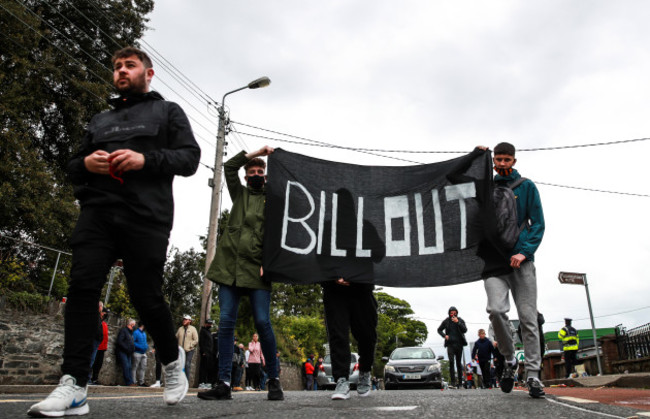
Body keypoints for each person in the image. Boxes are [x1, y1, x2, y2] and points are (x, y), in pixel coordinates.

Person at [27, 46, 199, 417]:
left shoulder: (167, 111)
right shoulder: (100, 120)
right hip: (98, 214)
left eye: (130, 65)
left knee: (146, 295)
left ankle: (171, 362)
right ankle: (73, 383)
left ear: (148, 74)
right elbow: (74, 165)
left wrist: (145, 159)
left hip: (146, 217)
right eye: (117, 66)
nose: (121, 70)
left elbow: (190, 159)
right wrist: (87, 162)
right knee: (82, 288)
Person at [198, 147, 284, 402]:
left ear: (266, 176)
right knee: (225, 323)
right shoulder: (240, 194)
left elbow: (278, 234)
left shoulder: (274, 199)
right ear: (246, 177)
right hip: (229, 268)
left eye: (261, 171)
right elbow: (228, 167)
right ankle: (223, 382)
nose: (256, 174)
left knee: (262, 322)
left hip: (258, 269)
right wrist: (258, 152)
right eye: (252, 172)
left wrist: (269, 264)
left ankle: (274, 379)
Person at [479, 142, 546, 399]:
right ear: (493, 161)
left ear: (514, 161)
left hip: (522, 261)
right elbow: (454, 182)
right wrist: (476, 155)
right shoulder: (486, 187)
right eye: (499, 159)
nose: (503, 163)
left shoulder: (527, 187)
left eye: (508, 159)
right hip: (494, 263)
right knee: (496, 310)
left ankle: (532, 376)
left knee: (528, 319)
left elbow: (537, 223)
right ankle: (508, 361)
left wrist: (524, 251)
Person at [437, 306, 468, 389]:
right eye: (451, 313)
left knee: (458, 363)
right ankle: (453, 383)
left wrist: (458, 322)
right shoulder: (446, 321)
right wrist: (444, 335)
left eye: (454, 313)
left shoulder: (460, 320)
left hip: (459, 344)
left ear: (457, 313)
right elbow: (439, 330)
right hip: (450, 344)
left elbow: (465, 330)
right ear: (449, 313)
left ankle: (460, 383)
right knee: (451, 362)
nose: (453, 314)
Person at [176, 314, 199, 381]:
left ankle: (186, 381)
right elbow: (175, 338)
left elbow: (196, 340)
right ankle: (179, 381)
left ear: (189, 321)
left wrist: (190, 345)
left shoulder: (193, 329)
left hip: (189, 350)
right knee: (180, 365)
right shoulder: (180, 329)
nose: (184, 321)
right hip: (181, 351)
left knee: (187, 364)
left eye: (186, 319)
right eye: (184, 319)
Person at [90, 307, 109, 385]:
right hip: (97, 346)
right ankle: (89, 378)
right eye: (104, 313)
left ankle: (95, 378)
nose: (105, 315)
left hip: (102, 347)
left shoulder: (104, 324)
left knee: (98, 364)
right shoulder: (98, 322)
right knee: (92, 362)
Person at [116, 319, 136, 386]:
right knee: (126, 366)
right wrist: (126, 348)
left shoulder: (130, 333)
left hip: (129, 352)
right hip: (123, 351)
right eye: (133, 325)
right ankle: (128, 382)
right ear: (131, 324)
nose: (134, 326)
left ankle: (131, 381)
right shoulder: (124, 331)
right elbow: (120, 341)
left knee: (129, 367)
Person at [199, 319, 216, 389]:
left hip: (210, 353)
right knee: (203, 368)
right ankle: (201, 382)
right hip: (205, 352)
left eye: (210, 324)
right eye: (208, 324)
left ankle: (206, 382)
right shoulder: (203, 331)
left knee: (208, 368)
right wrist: (203, 351)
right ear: (205, 324)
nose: (210, 325)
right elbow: (201, 342)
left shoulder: (209, 332)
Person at [132, 322, 148, 386]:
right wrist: (139, 346)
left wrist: (146, 346)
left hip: (144, 353)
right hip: (137, 352)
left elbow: (145, 342)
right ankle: (134, 381)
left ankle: (141, 382)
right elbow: (133, 341)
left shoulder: (144, 333)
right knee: (134, 367)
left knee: (143, 368)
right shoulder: (136, 332)